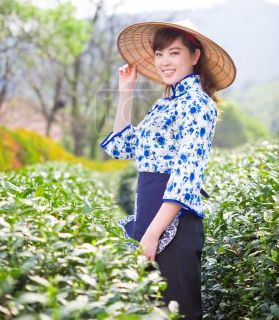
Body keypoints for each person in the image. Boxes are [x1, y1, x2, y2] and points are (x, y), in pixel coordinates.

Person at [100, 19, 236, 320]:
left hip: (172, 225)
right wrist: (126, 92)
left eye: (174, 53)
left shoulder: (198, 104)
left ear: (194, 56)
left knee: (180, 314)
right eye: (159, 54)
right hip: (150, 219)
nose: (164, 62)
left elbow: (186, 178)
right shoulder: (164, 105)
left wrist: (152, 234)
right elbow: (125, 148)